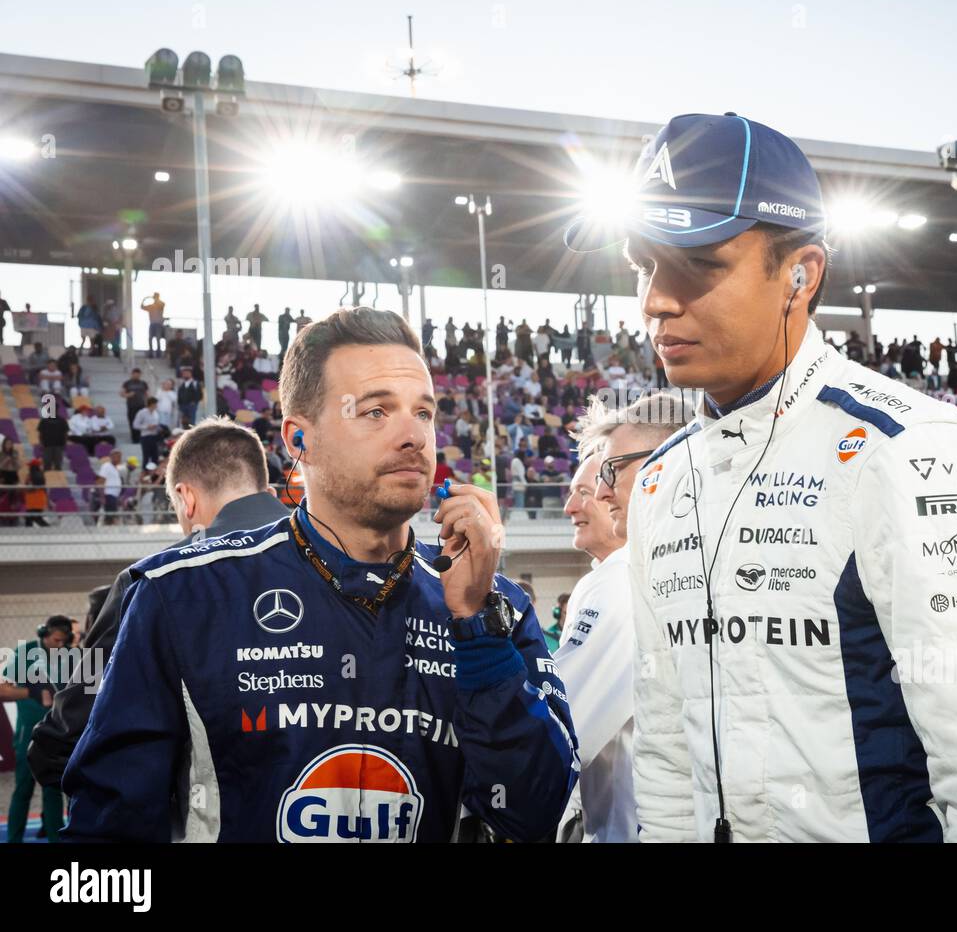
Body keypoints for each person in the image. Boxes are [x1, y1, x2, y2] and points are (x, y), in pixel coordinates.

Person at [563, 112, 957, 842]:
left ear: (801, 275)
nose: (655, 300)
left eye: (698, 265)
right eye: (645, 264)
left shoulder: (913, 448)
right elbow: (669, 754)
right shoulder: (662, 480)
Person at [62, 308, 578, 842]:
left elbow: (539, 815)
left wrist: (476, 630)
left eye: (424, 413)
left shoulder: (496, 608)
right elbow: (107, 835)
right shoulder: (180, 595)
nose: (414, 436)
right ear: (298, 438)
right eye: (376, 411)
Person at [29, 418, 290, 788]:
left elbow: (63, 740)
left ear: (187, 498)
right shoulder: (344, 558)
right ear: (267, 490)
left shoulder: (154, 580)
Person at [557, 393, 687, 843]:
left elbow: (558, 730)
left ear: (669, 461)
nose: (600, 491)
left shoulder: (626, 575)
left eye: (611, 470)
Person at [0, 615, 73, 842]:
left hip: (56, 732)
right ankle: (13, 840)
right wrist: (31, 692)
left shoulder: (70, 656)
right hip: (28, 731)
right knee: (24, 788)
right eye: (55, 640)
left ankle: (56, 839)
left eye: (63, 641)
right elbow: (3, 689)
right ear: (44, 634)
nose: (59, 645)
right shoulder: (25, 653)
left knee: (53, 790)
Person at [133, 396, 164, 467]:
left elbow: (157, 424)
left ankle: (153, 474)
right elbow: (135, 425)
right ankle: (145, 472)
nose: (156, 406)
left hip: (155, 436)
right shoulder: (142, 413)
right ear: (151, 404)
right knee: (146, 457)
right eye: (155, 404)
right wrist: (147, 426)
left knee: (155, 456)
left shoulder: (156, 413)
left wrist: (159, 428)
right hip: (145, 436)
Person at [120, 368, 149, 443]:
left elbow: (147, 394)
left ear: (140, 375)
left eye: (138, 374)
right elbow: (122, 393)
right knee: (132, 422)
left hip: (141, 405)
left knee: (142, 422)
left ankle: (141, 438)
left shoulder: (143, 383)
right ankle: (134, 438)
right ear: (132, 374)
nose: (136, 376)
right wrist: (128, 395)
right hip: (131, 406)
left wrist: (147, 403)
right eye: (135, 374)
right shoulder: (127, 383)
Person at [95, 450, 124, 524]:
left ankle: (111, 530)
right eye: (117, 456)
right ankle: (108, 531)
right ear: (112, 457)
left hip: (114, 496)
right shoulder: (106, 466)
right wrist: (102, 496)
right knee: (110, 517)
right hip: (108, 495)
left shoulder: (115, 468)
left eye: (120, 457)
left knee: (113, 515)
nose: (119, 459)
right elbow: (100, 481)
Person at [142, 292, 166, 358]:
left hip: (158, 324)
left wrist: (157, 300)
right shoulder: (151, 306)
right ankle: (151, 353)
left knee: (158, 339)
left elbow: (163, 304)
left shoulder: (161, 305)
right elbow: (142, 307)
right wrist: (144, 299)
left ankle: (158, 354)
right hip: (152, 324)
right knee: (150, 339)